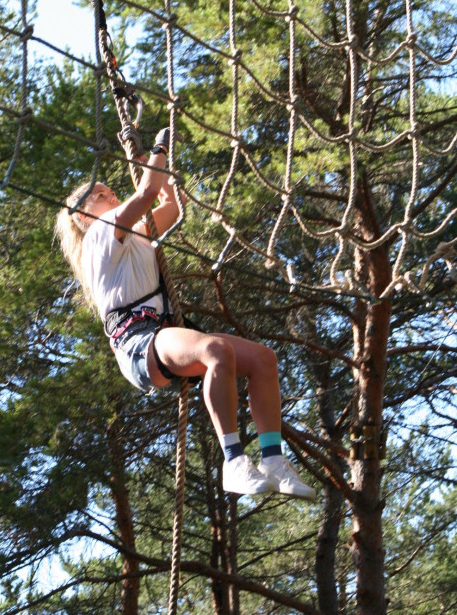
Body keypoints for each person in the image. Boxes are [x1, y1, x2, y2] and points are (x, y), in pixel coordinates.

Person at [55, 124, 315, 500]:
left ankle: (273, 461)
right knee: (214, 351)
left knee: (263, 359)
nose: (108, 192)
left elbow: (171, 206)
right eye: (98, 194)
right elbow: (145, 193)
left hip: (159, 330)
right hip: (136, 338)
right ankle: (233, 462)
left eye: (108, 188)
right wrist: (158, 147)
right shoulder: (99, 234)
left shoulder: (133, 231)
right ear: (82, 216)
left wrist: (147, 160)